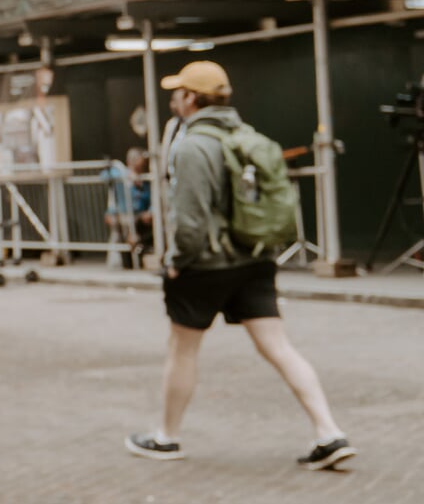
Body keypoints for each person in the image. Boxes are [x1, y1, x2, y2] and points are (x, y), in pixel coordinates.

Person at [125, 62, 354, 471]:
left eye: (177, 92)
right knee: (279, 347)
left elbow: (190, 220)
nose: (173, 99)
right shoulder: (249, 137)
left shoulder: (192, 145)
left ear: (191, 99)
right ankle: (329, 431)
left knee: (182, 349)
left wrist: (176, 262)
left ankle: (166, 437)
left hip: (207, 265)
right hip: (256, 259)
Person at [100, 148, 151, 268]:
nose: (140, 169)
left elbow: (150, 199)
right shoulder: (120, 174)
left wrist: (150, 212)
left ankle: (135, 256)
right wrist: (126, 175)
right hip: (124, 215)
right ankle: (125, 260)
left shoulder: (146, 179)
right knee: (122, 225)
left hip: (140, 215)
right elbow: (104, 176)